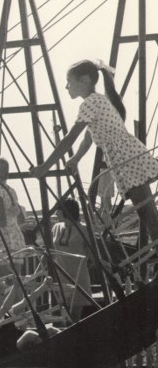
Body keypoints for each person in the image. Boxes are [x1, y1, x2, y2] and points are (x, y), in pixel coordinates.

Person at [32, 59, 158, 242]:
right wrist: (76, 158)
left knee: (146, 210)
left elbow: (70, 138)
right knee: (145, 209)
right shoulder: (97, 101)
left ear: (84, 79)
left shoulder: (90, 102)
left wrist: (45, 167)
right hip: (126, 155)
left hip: (126, 157)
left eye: (69, 81)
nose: (66, 87)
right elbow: (88, 138)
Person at [0, 274, 60, 356]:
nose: (5, 297)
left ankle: (61, 345)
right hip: (8, 352)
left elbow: (25, 302)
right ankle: (49, 353)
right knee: (29, 335)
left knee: (50, 330)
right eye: (2, 294)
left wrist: (44, 286)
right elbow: (5, 307)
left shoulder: (2, 312)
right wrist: (15, 286)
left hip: (16, 344)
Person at [51, 198, 93, 321]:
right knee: (64, 317)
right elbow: (51, 250)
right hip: (61, 277)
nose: (56, 213)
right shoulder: (56, 227)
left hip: (78, 277)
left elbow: (92, 254)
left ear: (67, 211)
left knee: (74, 317)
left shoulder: (84, 229)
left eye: (59, 210)